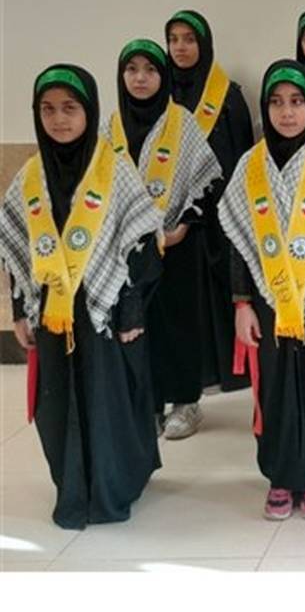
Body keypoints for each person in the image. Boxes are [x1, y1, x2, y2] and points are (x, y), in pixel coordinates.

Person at [1, 64, 164, 529]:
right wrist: (20, 311)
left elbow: (142, 246)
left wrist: (131, 310)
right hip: (54, 314)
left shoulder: (115, 171)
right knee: (57, 407)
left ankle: (113, 487)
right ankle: (72, 487)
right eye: (48, 110)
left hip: (104, 313)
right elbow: (17, 251)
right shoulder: (30, 178)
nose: (59, 120)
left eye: (70, 108)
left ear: (89, 111)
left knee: (108, 401)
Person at [218, 59, 305, 520]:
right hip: (268, 300)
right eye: (277, 102)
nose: (287, 112)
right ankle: (280, 475)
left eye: (297, 101)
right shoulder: (250, 166)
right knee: (274, 389)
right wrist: (242, 304)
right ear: (265, 108)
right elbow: (238, 241)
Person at [104, 39, 222, 437]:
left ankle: (186, 402)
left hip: (176, 246)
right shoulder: (111, 127)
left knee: (178, 324)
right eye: (132, 69)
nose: (140, 78)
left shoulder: (181, 122)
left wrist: (183, 226)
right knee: (139, 324)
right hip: (129, 251)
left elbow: (206, 179)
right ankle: (149, 404)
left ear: (164, 75)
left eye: (150, 70)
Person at [162, 9, 254, 434]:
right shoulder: (158, 95)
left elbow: (243, 156)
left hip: (218, 218)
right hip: (171, 224)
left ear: (204, 44)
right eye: (174, 39)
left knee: (217, 294)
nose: (181, 47)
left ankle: (223, 371)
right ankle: (183, 386)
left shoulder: (228, 96)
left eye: (189, 39)